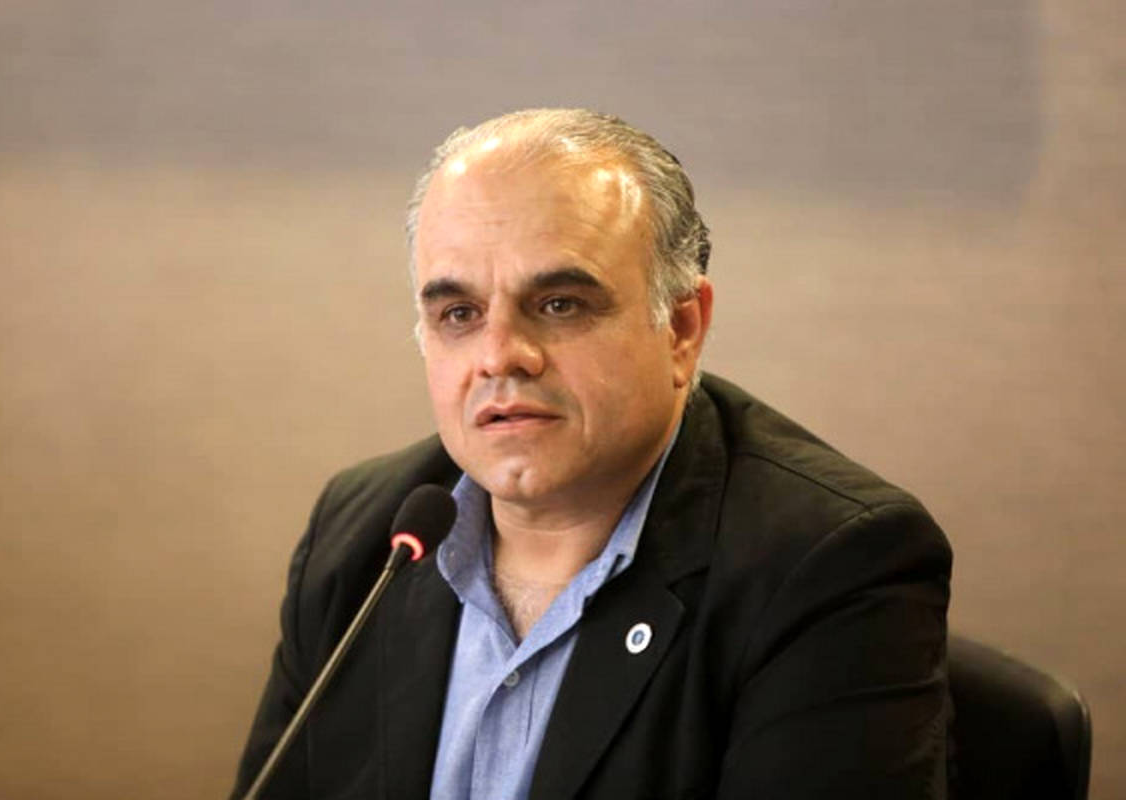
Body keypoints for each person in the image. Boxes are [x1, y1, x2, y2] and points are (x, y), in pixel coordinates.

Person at [231, 109, 952, 799]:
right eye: (459, 314)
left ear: (681, 329)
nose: (499, 356)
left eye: (560, 305)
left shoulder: (828, 564)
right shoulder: (367, 536)